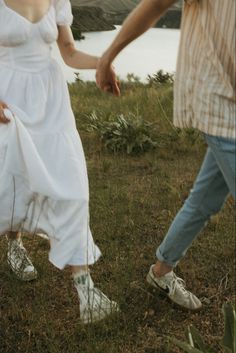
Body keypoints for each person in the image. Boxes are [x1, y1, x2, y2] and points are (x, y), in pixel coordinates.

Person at [96, 0, 236, 310]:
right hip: (219, 101)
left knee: (204, 198)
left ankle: (161, 271)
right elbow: (157, 3)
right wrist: (107, 57)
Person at [0, 0, 118, 324]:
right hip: (8, 101)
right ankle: (14, 245)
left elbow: (68, 52)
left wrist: (102, 62)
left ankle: (86, 290)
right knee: (12, 184)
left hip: (52, 102)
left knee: (74, 188)